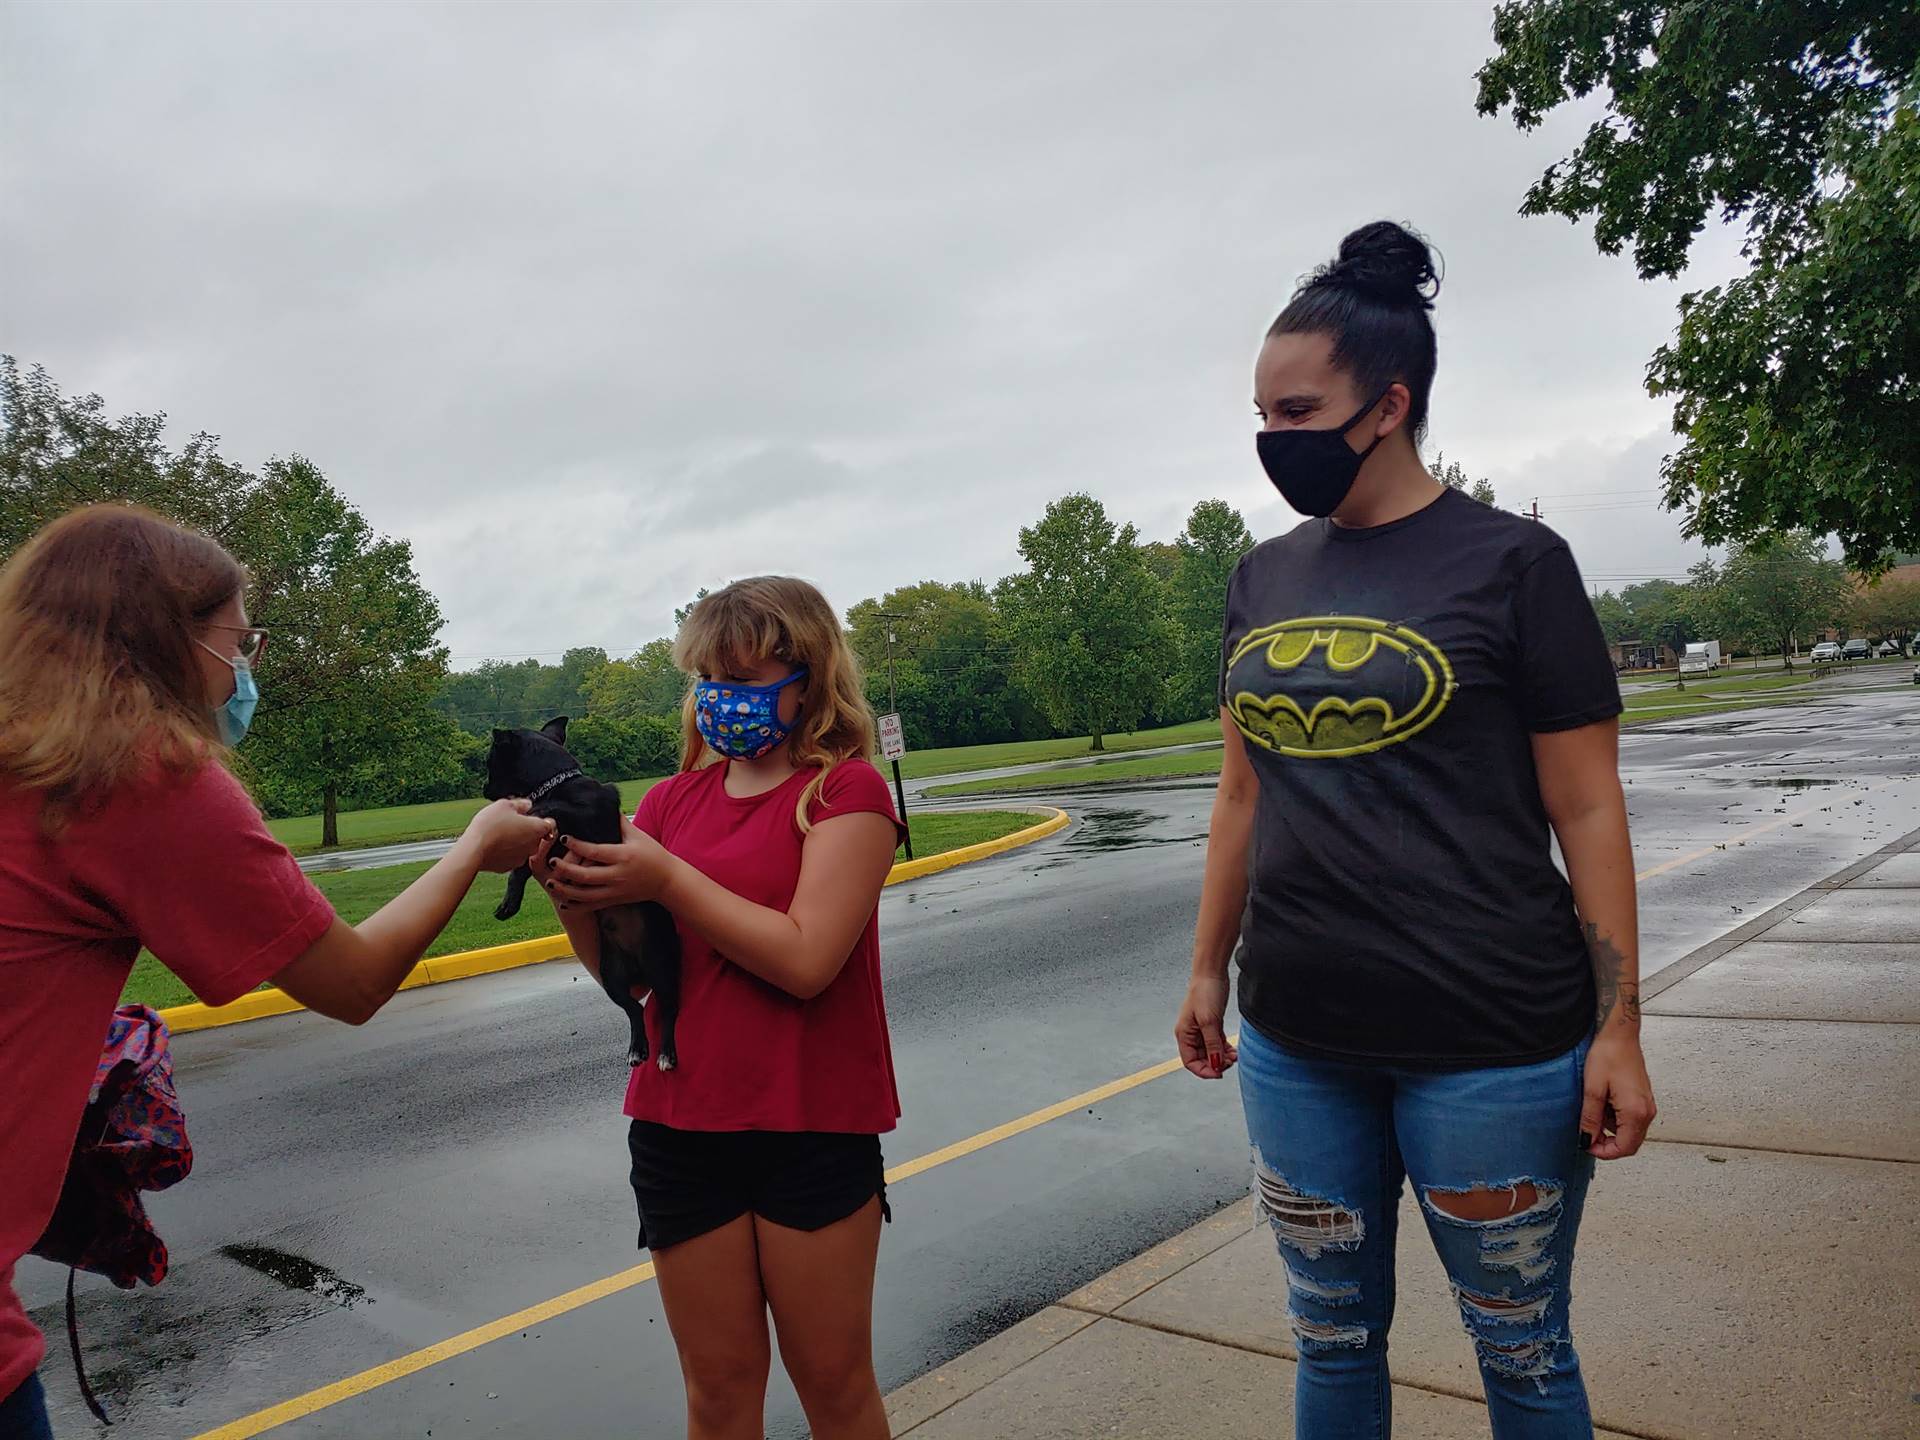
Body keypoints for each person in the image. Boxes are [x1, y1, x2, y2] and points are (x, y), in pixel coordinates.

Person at [1174, 221, 1655, 1440]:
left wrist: (1620, 1026)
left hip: (1493, 1040)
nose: (1272, 439)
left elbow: (1588, 808)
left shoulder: (1516, 564)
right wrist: (1203, 968)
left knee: (1521, 1349)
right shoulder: (1263, 579)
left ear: (1388, 406)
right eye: (1262, 413)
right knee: (1331, 1339)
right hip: (1298, 1037)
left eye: (1297, 411)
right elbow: (1243, 793)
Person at [0, 505, 554, 1438]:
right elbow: (352, 981)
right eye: (239, 640)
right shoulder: (136, 771)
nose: (242, 667)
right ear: (172, 639)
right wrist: (473, 847)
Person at [535, 576, 903, 1440]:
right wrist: (570, 891)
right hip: (679, 1128)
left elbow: (808, 960)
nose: (722, 700)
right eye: (710, 679)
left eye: (744, 679)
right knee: (720, 1389)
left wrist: (665, 876)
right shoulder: (667, 804)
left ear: (808, 678)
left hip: (810, 1126)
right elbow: (633, 983)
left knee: (835, 1385)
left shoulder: (845, 795)